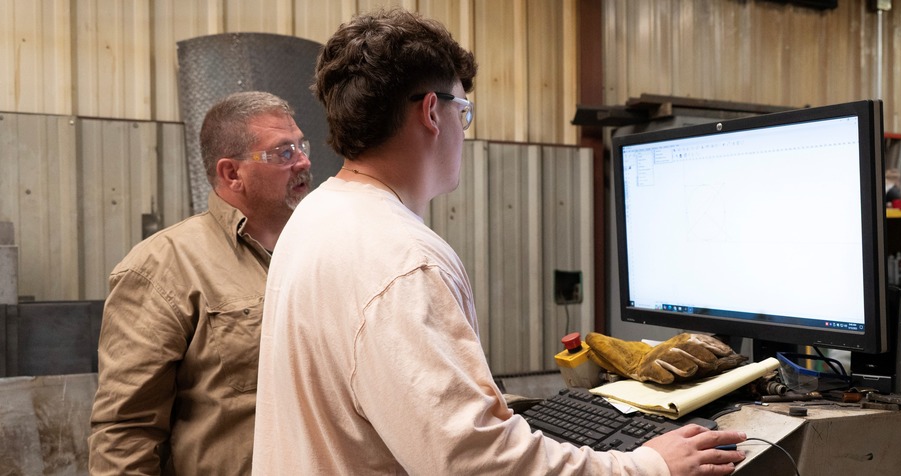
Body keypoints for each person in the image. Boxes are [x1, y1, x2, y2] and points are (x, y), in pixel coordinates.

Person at [252, 8, 746, 475]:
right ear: (432, 112)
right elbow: (476, 462)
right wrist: (646, 464)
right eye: (462, 112)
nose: (463, 132)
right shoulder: (401, 259)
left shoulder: (317, 214)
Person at [88, 91, 313, 475]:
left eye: (301, 145)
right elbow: (127, 430)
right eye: (283, 152)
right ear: (231, 173)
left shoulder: (324, 250)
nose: (304, 161)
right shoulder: (162, 267)